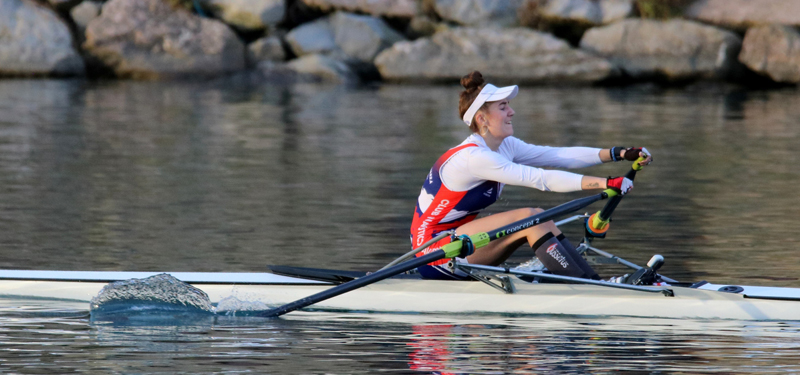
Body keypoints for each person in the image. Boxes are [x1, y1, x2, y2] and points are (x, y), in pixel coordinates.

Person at [410, 71, 652, 281]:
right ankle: (588, 287)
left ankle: (591, 281)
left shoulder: (505, 146)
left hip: (462, 242)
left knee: (541, 218)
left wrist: (617, 153)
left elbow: (558, 156)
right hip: (435, 253)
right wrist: (604, 183)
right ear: (482, 119)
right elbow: (540, 179)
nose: (512, 112)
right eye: (503, 107)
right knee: (531, 216)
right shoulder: (474, 158)